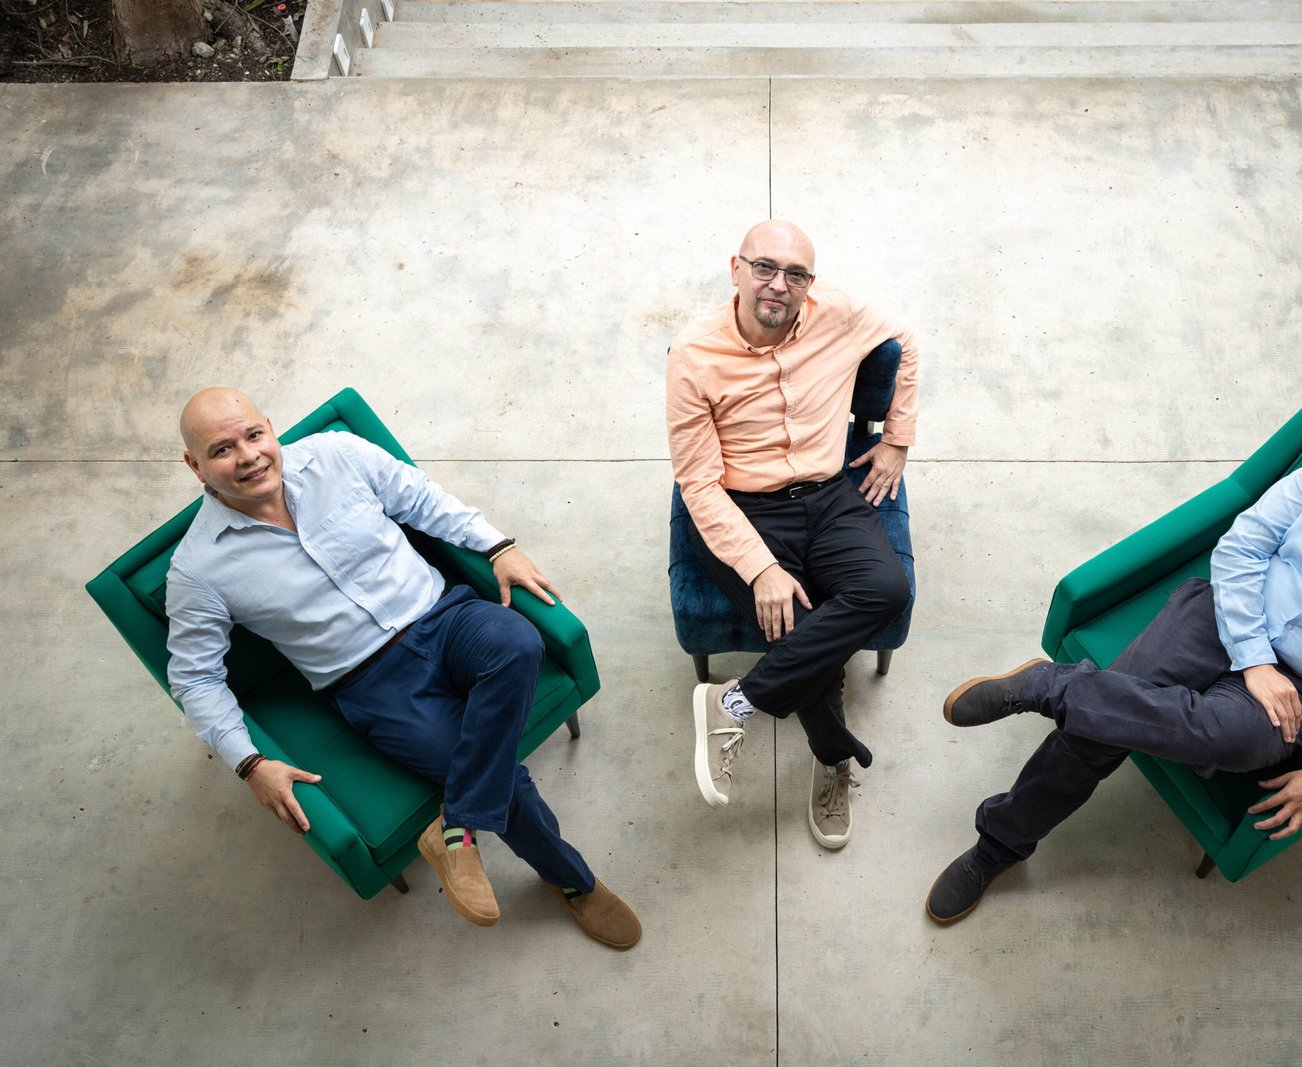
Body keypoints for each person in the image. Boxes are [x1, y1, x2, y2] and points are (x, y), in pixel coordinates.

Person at [927, 383, 1302, 924]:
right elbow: (1244, 545)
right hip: (1228, 615)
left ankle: (1050, 685)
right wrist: (1255, 659)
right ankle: (998, 846)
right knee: (1096, 732)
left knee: (1216, 737)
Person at [165, 388, 640, 948]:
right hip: (371, 683)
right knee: (502, 779)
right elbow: (195, 677)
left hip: (443, 618)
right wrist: (249, 764)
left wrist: (497, 547)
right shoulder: (197, 569)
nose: (248, 456)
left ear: (269, 427)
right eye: (222, 450)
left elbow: (422, 499)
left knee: (517, 641)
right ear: (194, 465)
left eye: (253, 435)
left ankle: (456, 826)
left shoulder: (336, 454)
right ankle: (574, 882)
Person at [667, 220, 919, 848]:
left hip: (829, 494)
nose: (779, 285)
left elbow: (905, 339)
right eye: (764, 268)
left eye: (796, 274)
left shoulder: (837, 312)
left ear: (810, 282)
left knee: (888, 590)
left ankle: (733, 703)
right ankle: (833, 759)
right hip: (742, 508)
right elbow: (698, 484)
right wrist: (760, 568)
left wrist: (898, 439)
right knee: (801, 635)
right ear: (736, 269)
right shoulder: (694, 357)